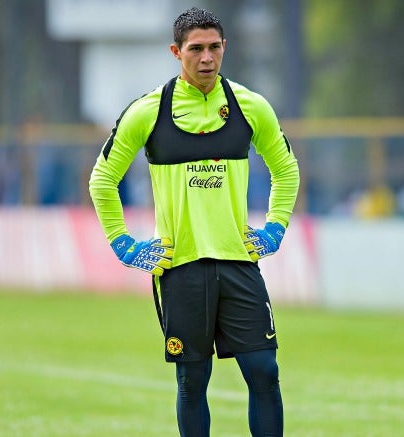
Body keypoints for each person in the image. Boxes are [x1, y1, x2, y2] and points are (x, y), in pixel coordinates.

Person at [88, 7, 299, 436]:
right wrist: (123, 244)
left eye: (215, 47)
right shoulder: (148, 111)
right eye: (196, 49)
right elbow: (102, 180)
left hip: (238, 262)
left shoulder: (250, 106)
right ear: (176, 52)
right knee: (192, 380)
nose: (207, 58)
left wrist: (276, 227)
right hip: (180, 267)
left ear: (225, 48)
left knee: (264, 371)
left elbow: (287, 169)